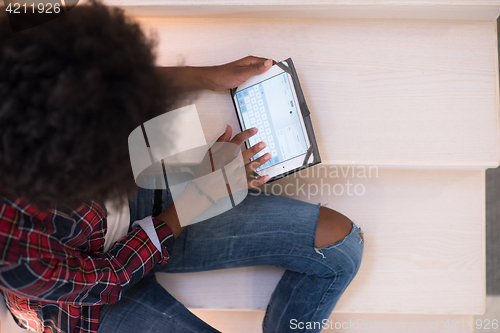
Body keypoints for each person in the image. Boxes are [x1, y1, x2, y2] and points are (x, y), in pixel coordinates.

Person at [0, 1, 364, 332]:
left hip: (127, 204)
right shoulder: (12, 252)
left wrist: (204, 77)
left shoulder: (24, 51)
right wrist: (198, 196)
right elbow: (109, 278)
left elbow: (107, 84)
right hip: (83, 303)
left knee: (338, 248)